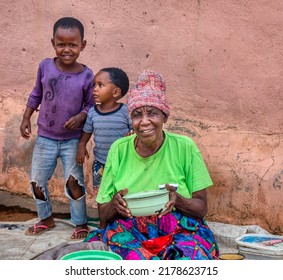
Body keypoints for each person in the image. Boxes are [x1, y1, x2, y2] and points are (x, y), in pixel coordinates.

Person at [84, 70, 220, 260]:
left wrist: (176, 200)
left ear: (164, 117)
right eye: (137, 115)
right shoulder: (119, 149)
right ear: (132, 121)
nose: (145, 122)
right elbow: (103, 215)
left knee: (189, 258)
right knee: (128, 260)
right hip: (129, 228)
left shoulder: (184, 147)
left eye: (153, 113)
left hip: (179, 227)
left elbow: (201, 207)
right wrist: (116, 204)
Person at [20, 17, 95, 240]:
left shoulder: (87, 75)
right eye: (61, 44)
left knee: (75, 182)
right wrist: (26, 118)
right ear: (53, 43)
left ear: (83, 45)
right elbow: (36, 94)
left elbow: (91, 105)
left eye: (73, 44)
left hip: (72, 140)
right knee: (37, 181)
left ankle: (80, 223)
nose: (67, 49)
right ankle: (46, 218)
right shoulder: (45, 66)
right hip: (45, 137)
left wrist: (81, 116)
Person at [76, 67, 133, 198]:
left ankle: (120, 218)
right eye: (94, 85)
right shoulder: (92, 112)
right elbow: (87, 131)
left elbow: (134, 130)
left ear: (116, 92)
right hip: (100, 163)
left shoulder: (125, 111)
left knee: (123, 194)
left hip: (124, 163)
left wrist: (132, 136)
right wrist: (81, 145)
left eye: (100, 85)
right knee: (102, 195)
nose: (94, 89)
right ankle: (104, 218)